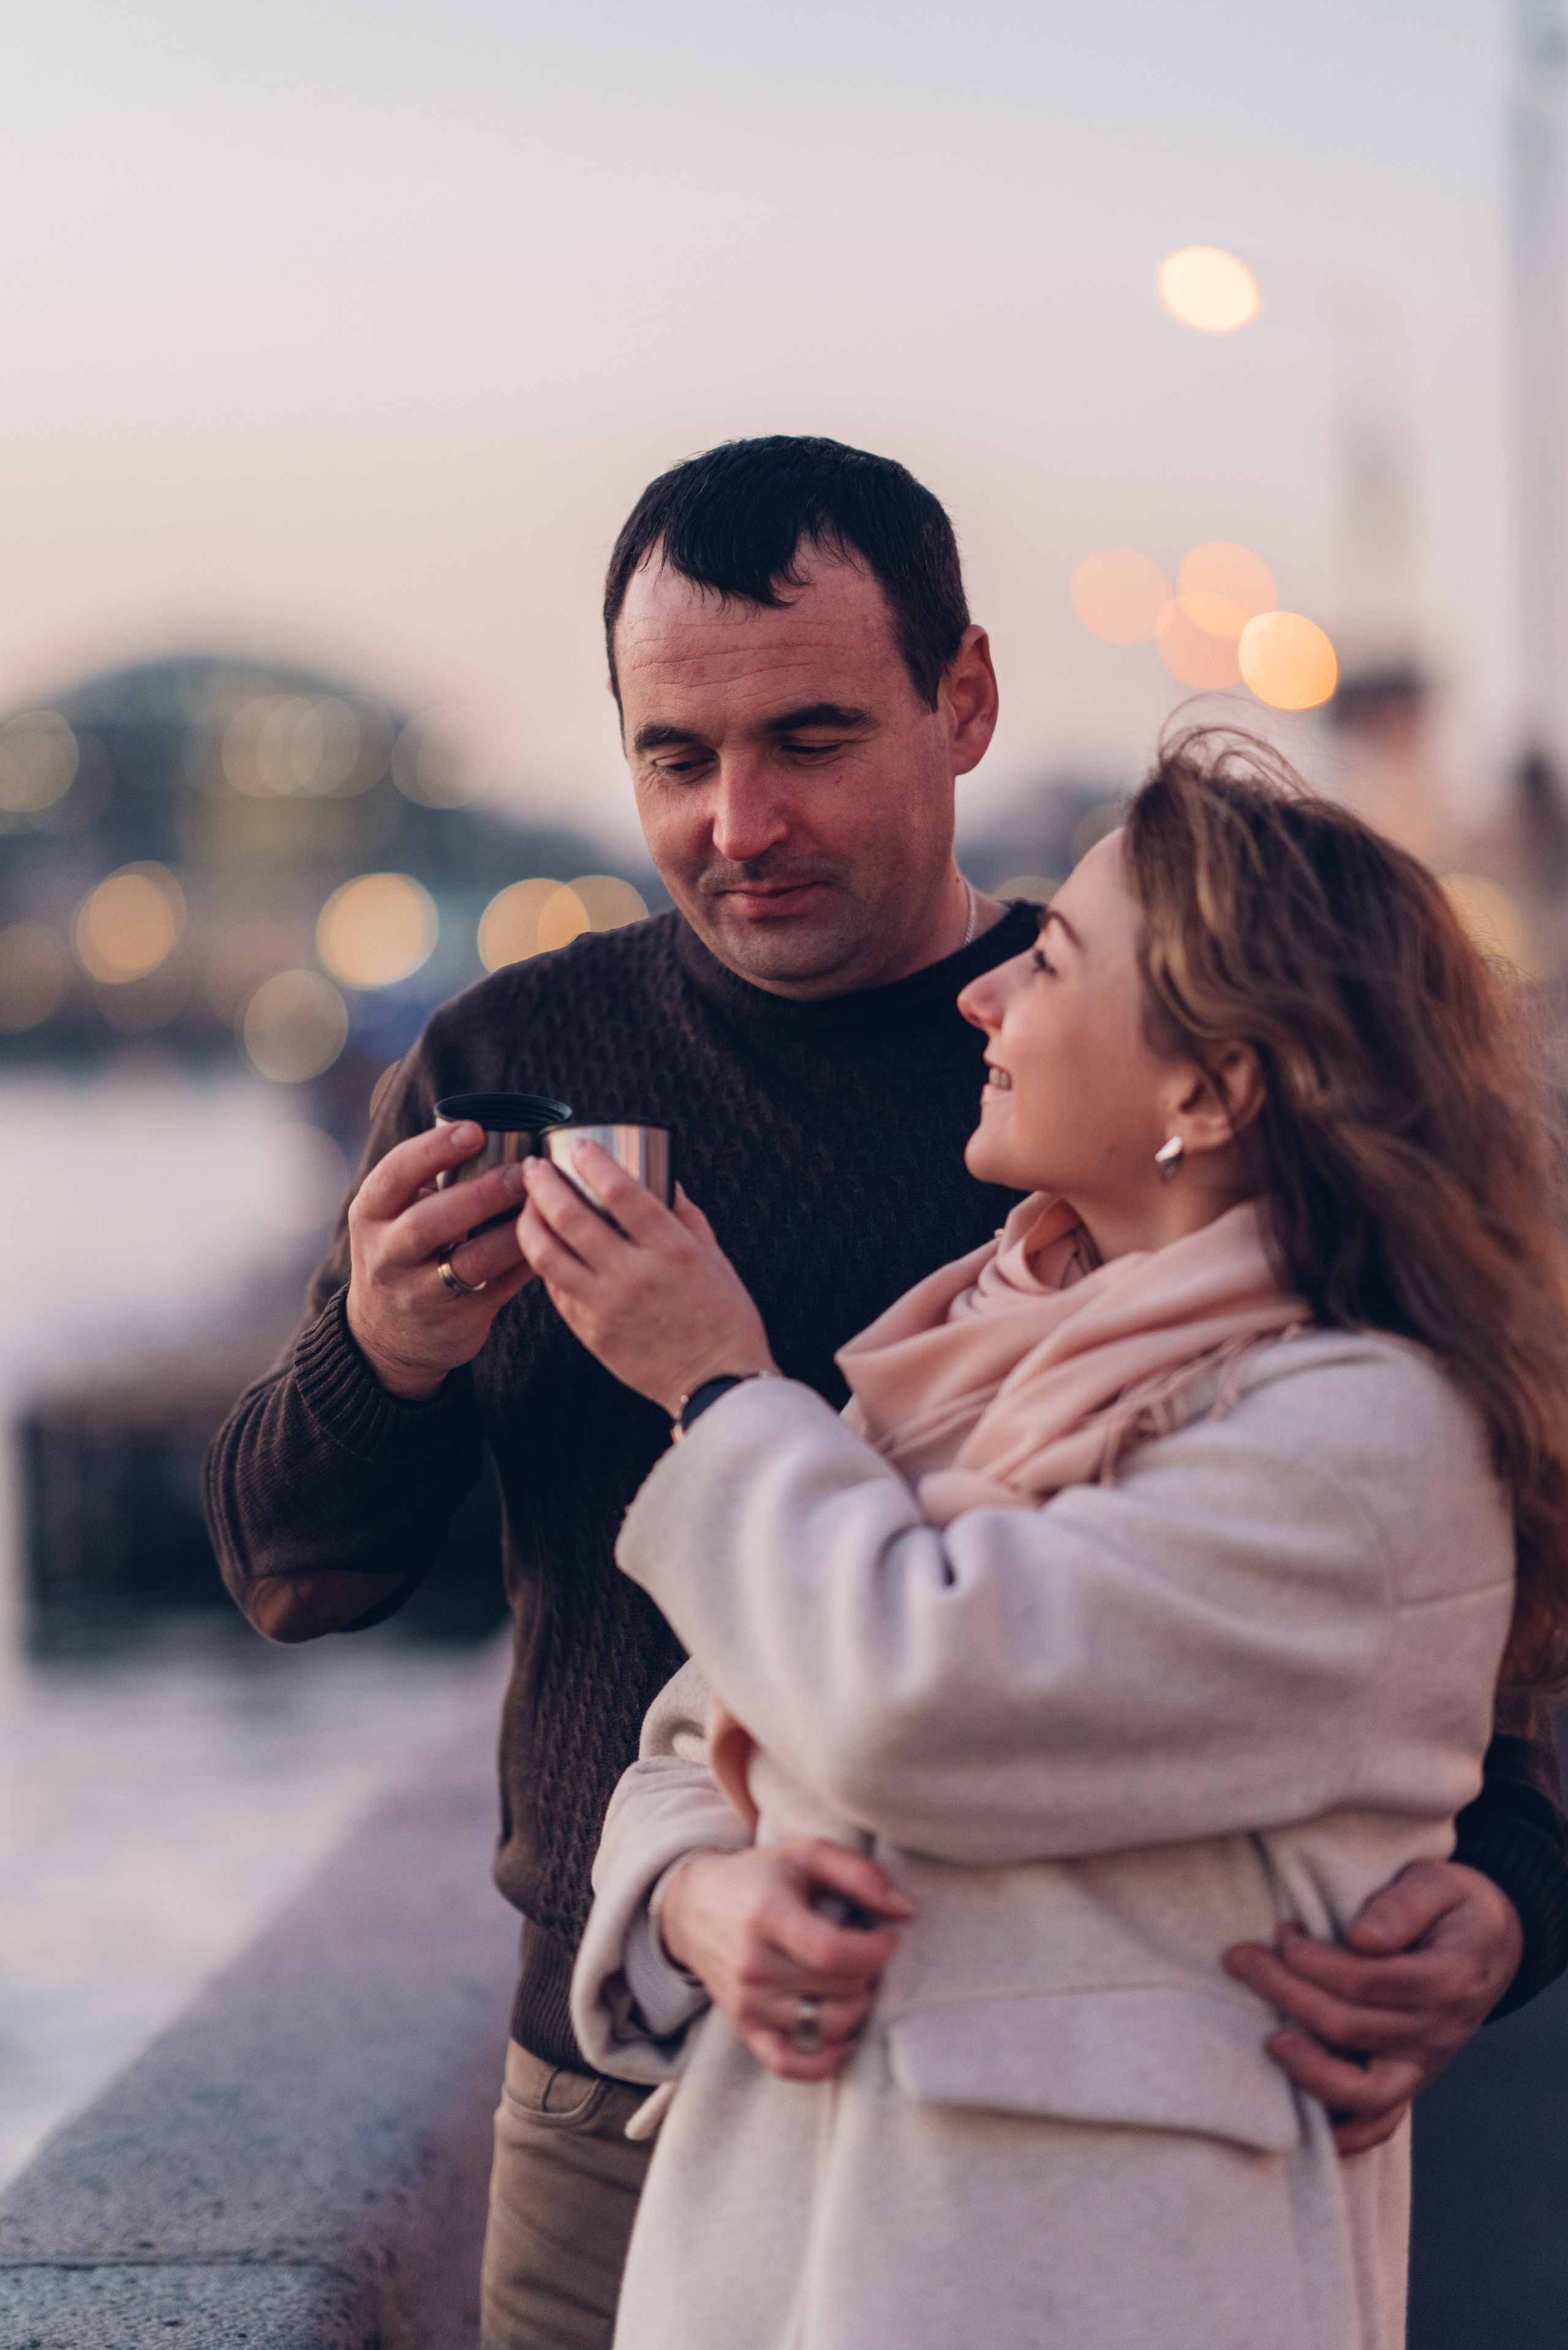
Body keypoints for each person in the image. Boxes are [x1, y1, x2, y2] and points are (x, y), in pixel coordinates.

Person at [203, 439, 1568, 2349]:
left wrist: (1514, 1879)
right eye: (676, 758)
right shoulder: (516, 1055)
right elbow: (291, 1571)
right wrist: (383, 1354)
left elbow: (1401, 1567)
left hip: (1061, 2134)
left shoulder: (1100, 1070)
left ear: (969, 703)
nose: (739, 821)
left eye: (813, 739)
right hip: (611, 2078)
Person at [535, 740, 1568, 2348]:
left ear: (1210, 1092)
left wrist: (720, 1388)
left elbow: (910, 1698)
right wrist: (697, 1902)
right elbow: (696, 1732)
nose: (984, 996)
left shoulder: (1365, 1438)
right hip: (789, 2261)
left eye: (1055, 960)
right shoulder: (979, 1337)